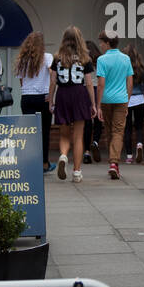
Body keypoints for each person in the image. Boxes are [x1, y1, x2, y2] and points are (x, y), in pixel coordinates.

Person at [49, 26, 96, 182]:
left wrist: (51, 100)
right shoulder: (85, 58)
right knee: (78, 137)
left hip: (63, 94)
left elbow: (53, 81)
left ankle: (63, 156)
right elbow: (89, 83)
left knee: (64, 134)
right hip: (79, 94)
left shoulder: (57, 58)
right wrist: (93, 104)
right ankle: (76, 172)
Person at [95, 32, 133, 180]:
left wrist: (98, 106)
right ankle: (114, 163)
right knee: (118, 131)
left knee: (110, 130)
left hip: (106, 100)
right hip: (121, 99)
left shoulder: (101, 60)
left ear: (107, 42)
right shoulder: (126, 59)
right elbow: (129, 82)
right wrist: (127, 101)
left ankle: (113, 162)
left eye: (101, 42)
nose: (100, 45)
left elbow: (101, 84)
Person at [15, 31, 54, 172]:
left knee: (29, 132)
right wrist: (51, 92)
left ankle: (29, 162)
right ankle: (44, 163)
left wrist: (27, 91)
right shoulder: (48, 57)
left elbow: (21, 80)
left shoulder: (22, 59)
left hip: (27, 97)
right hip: (43, 97)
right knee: (45, 131)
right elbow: (52, 73)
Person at [123, 42, 144, 163]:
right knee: (139, 127)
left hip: (127, 101)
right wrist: (139, 88)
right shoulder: (141, 69)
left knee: (127, 129)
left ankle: (129, 156)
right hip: (139, 100)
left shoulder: (123, 69)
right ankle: (139, 144)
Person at [82, 39, 105, 165]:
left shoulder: (82, 60)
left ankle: (86, 152)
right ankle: (95, 142)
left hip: (85, 91)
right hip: (97, 91)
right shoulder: (100, 60)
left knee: (86, 123)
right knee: (98, 121)